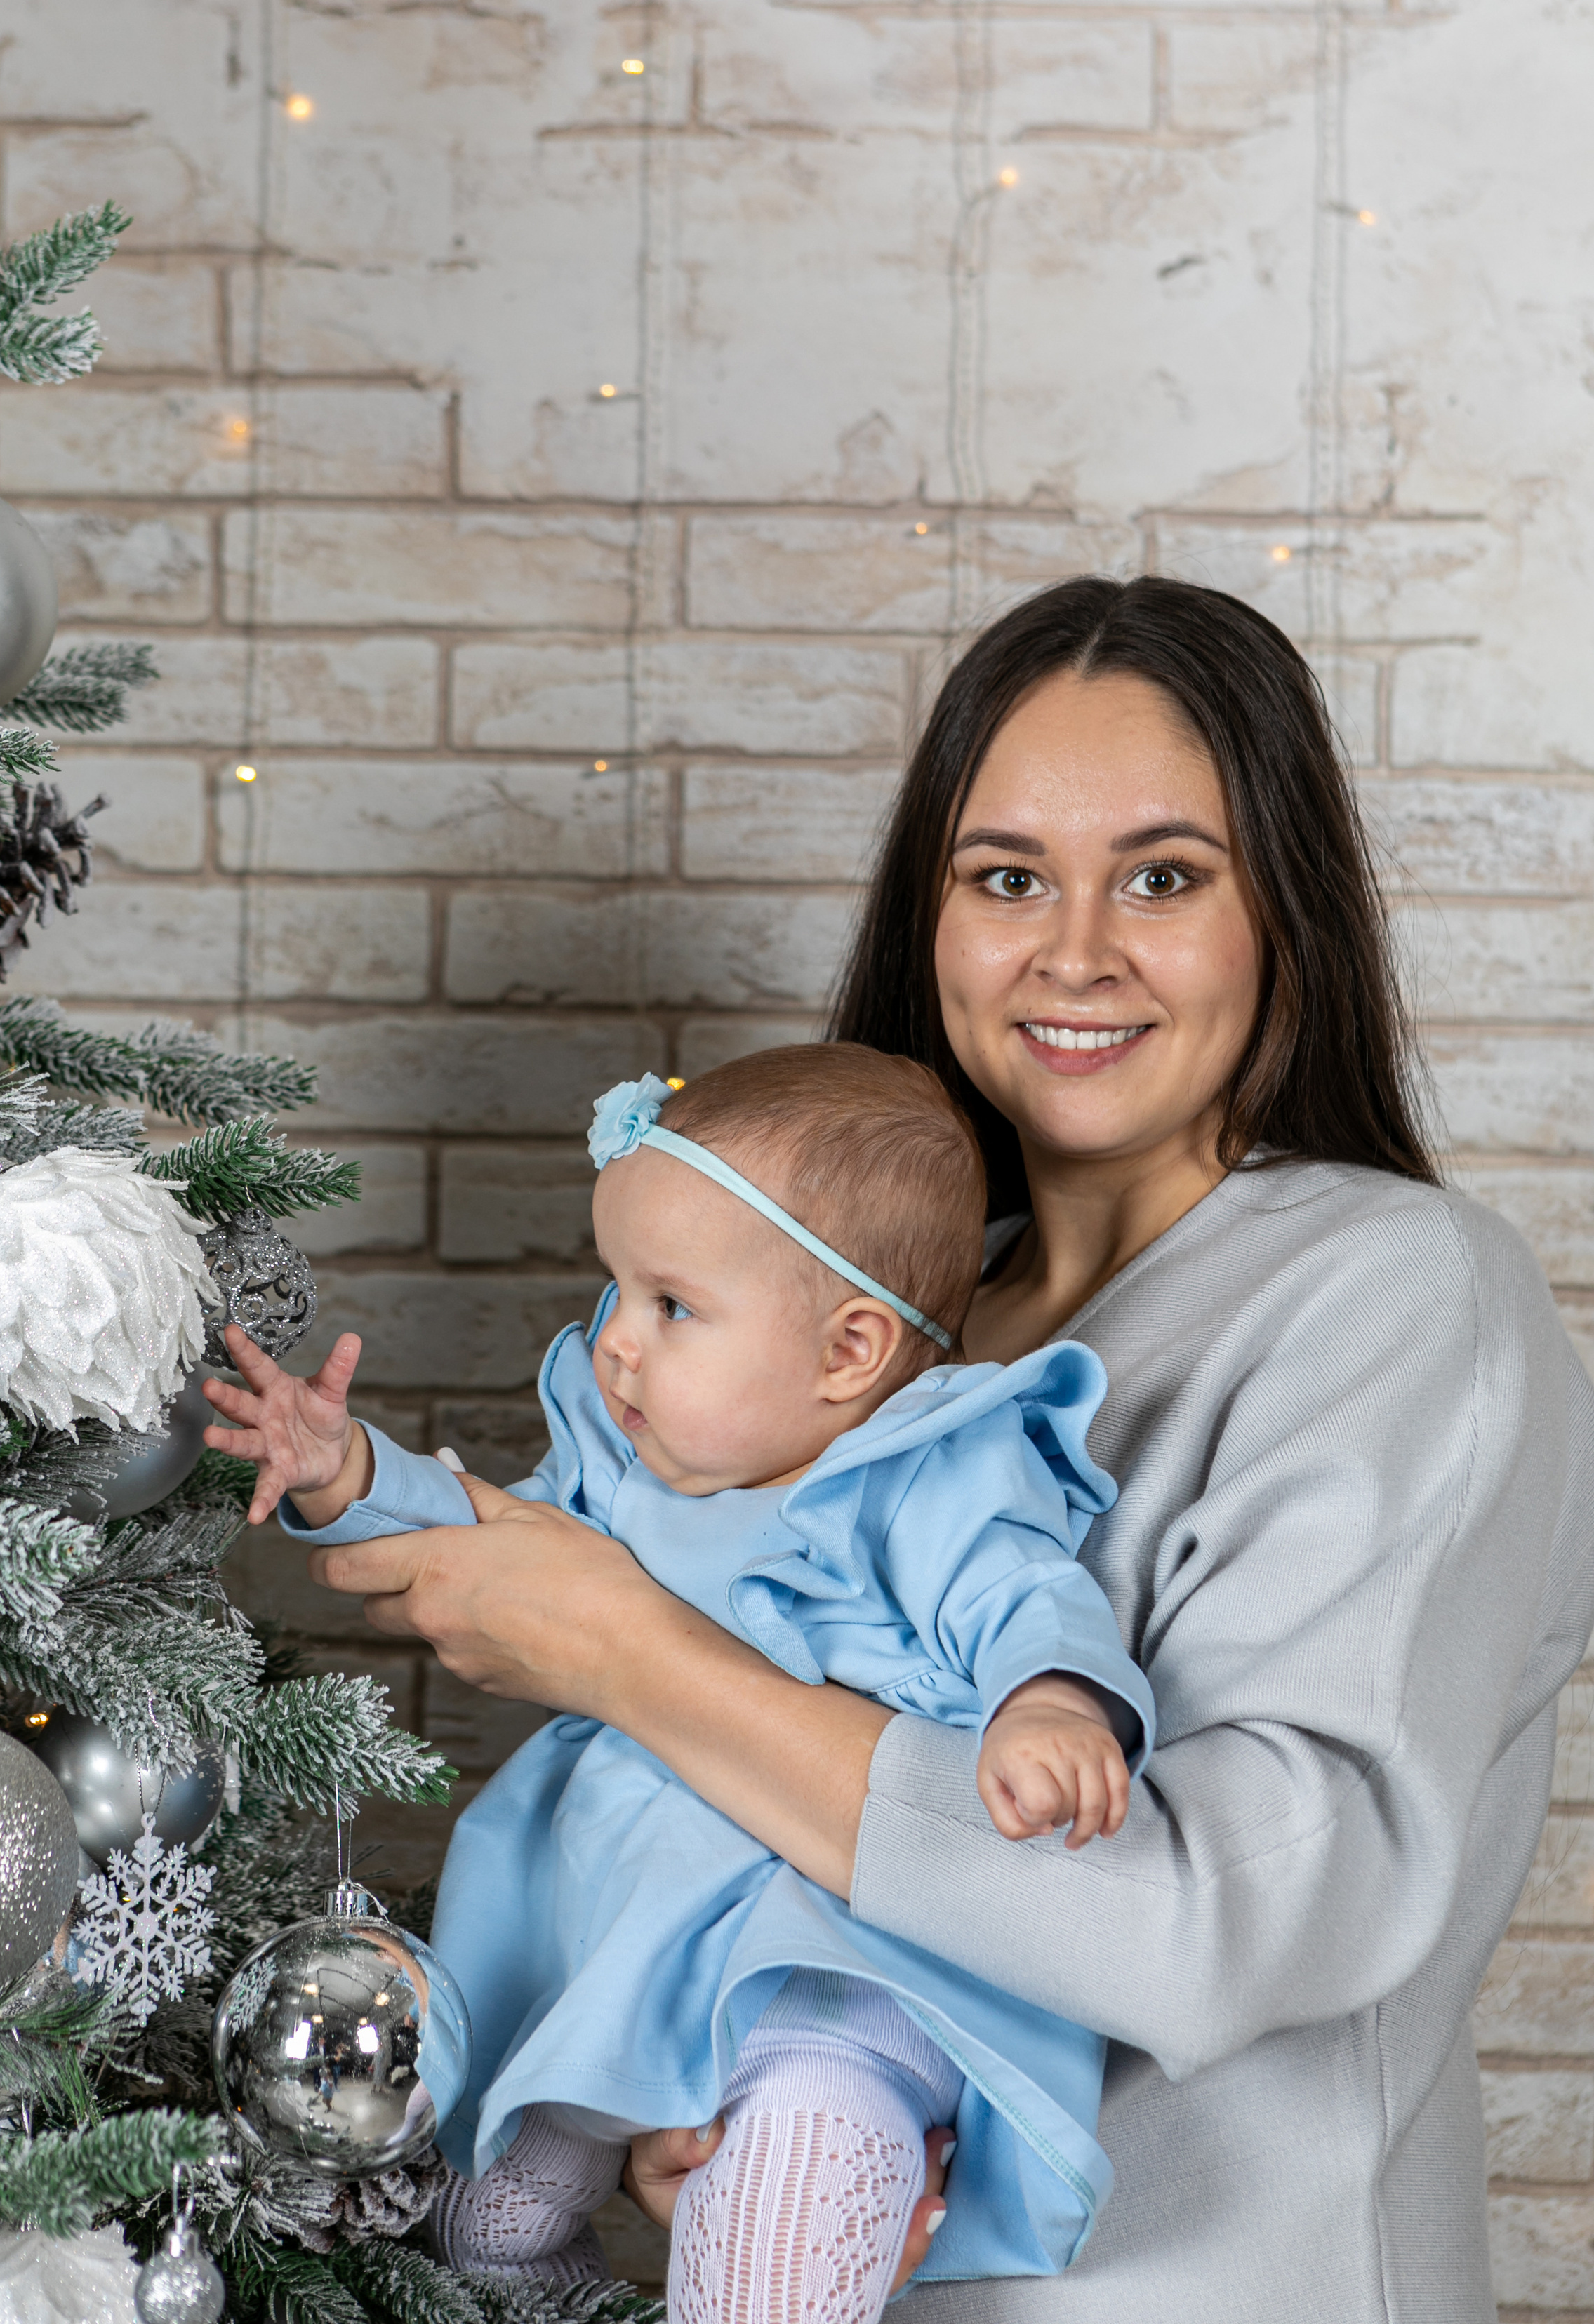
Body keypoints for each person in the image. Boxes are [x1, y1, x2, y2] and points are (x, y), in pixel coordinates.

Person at [263, 575, 1594, 2322]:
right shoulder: (856, 1333)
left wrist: (626, 1655)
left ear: (1284, 915)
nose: (1074, 951)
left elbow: (1228, 1914)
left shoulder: (1397, 1301)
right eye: (1006, 877)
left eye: (1164, 876)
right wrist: (711, 2055)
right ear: (933, 912)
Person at [206, 1042, 1157, 2316]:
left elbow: (1029, 1600)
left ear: (849, 1350)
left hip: (830, 1963)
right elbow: (488, 1534)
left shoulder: (933, 1479)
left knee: (785, 2205)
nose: (619, 1349)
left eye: (674, 1307)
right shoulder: (631, 1476)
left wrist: (1050, 1702)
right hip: (623, 1939)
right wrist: (346, 1474)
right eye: (620, 1294)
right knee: (489, 2221)